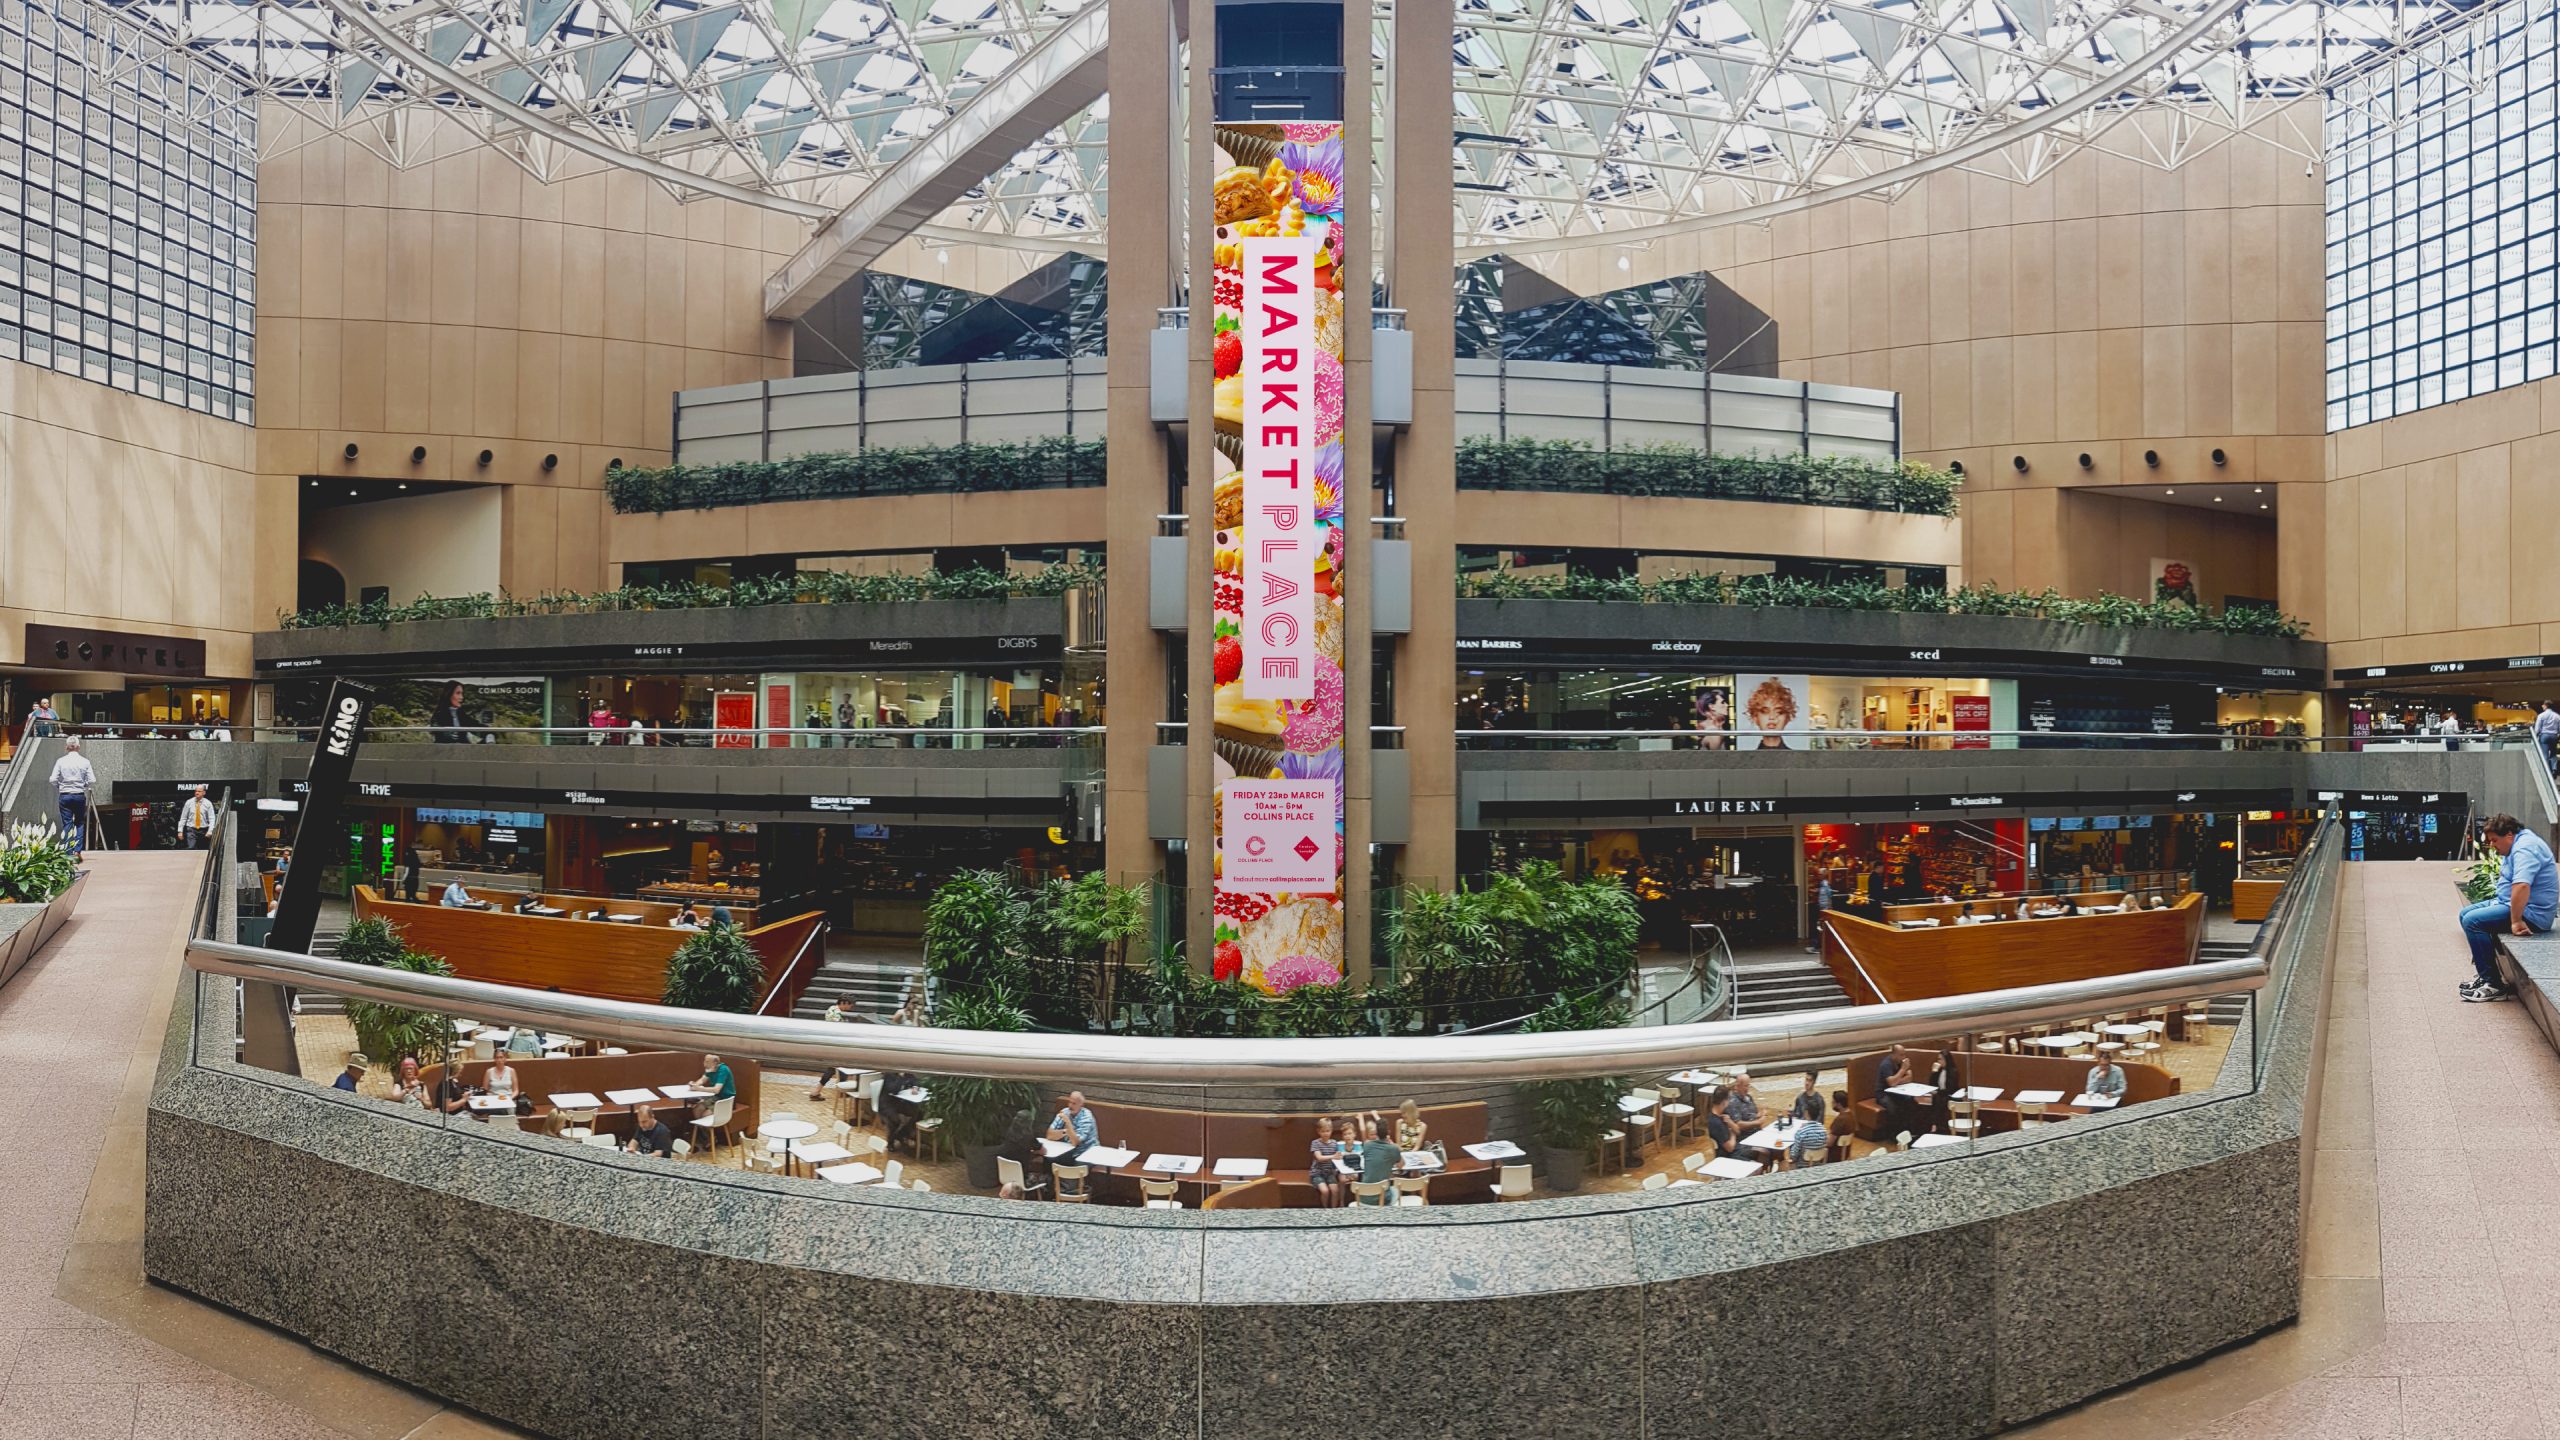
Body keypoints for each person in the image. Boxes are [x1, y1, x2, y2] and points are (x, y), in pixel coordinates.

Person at [2460, 814, 2557, 1002]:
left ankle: (2494, 985)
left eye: (2495, 840)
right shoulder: (2518, 843)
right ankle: (2485, 975)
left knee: (2473, 922)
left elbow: (2521, 885)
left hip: (2531, 914)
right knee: (2464, 914)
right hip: (2509, 903)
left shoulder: (2525, 849)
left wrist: (2516, 920)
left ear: (2509, 835)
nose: (2492, 846)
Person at [49, 738, 94, 856]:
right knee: (79, 822)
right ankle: (77, 850)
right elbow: (92, 780)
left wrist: (60, 786)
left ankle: (68, 851)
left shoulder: (60, 761)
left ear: (67, 747)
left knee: (67, 823)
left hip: (65, 795)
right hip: (79, 794)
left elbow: (52, 779)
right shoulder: (85, 762)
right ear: (78, 747)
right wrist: (83, 784)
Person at [1046, 1090, 1098, 1164]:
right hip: (1067, 1149)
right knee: (1048, 1158)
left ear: (1081, 1105)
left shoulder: (1086, 1116)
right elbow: (1049, 1135)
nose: (1070, 1106)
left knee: (1076, 1166)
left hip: (1085, 1151)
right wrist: (1065, 1132)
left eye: (1074, 1103)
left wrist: (1068, 1123)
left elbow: (1075, 1142)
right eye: (1069, 1102)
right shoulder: (1064, 1112)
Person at [878, 1069, 924, 1152]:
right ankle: (890, 1142)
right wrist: (900, 1077)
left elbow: (915, 1081)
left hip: (900, 1102)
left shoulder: (908, 1074)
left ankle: (901, 1134)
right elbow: (894, 1090)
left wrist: (915, 1087)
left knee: (917, 1113)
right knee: (895, 1120)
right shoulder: (889, 1075)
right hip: (887, 1104)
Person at [1308, 1115, 1348, 1208]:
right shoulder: (1315, 1143)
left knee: (1335, 1190)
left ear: (1331, 1131)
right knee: (1325, 1191)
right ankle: (1325, 1209)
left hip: (1330, 1173)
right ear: (1318, 1131)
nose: (1325, 1133)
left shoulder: (1334, 1143)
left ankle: (1333, 1210)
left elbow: (1339, 1156)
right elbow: (1319, 1157)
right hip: (1317, 1173)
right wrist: (1333, 1156)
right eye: (1323, 1131)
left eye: (1327, 1131)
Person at [1355, 1113, 1400, 1194]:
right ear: (1388, 1133)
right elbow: (1401, 1165)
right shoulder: (1393, 1148)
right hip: (1383, 1196)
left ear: (1377, 1133)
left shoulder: (1367, 1145)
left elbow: (1363, 1130)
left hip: (1364, 1194)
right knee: (1396, 1190)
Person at [176, 785, 216, 850]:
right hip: (191, 829)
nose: (197, 793)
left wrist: (210, 831)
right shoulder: (189, 802)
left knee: (202, 850)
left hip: (203, 830)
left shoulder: (208, 803)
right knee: (191, 848)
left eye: (199, 791)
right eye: (196, 791)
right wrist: (180, 831)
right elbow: (183, 817)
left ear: (204, 793)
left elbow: (212, 818)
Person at [1702, 1087, 1738, 1158]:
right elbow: (1730, 1148)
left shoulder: (1724, 1112)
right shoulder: (1715, 1122)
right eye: (1728, 1099)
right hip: (1728, 1156)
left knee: (1761, 1151)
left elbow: (1738, 1130)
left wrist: (1730, 1123)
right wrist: (1733, 1134)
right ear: (1724, 1102)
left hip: (1736, 1147)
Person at [2539, 701, 2560, 773]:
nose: (2542, 706)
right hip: (2554, 736)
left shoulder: (2541, 715)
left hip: (2544, 735)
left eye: (2543, 705)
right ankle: (2554, 768)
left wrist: (2535, 735)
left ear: (2546, 705)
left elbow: (2537, 728)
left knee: (2545, 754)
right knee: (2553, 753)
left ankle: (2546, 770)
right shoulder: (2557, 716)